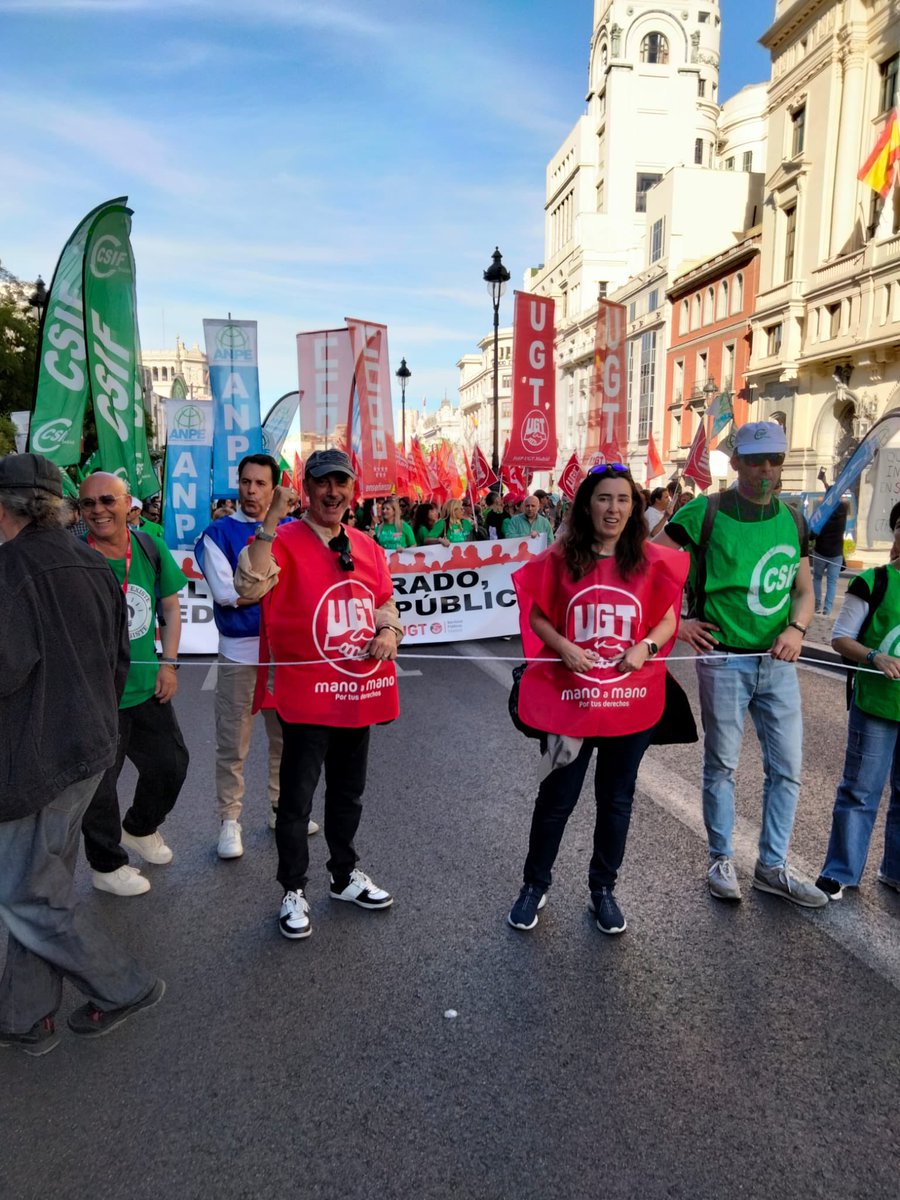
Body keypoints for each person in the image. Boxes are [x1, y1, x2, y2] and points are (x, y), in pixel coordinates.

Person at [0, 454, 163, 1055]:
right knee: (38, 882)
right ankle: (24, 1011)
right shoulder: (95, 564)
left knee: (26, 893)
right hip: (89, 748)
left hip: (33, 758)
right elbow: (119, 658)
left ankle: (123, 986)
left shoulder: (9, 570)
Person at [507, 465, 688, 935]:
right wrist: (563, 647)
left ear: (635, 506)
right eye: (604, 498)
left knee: (616, 800)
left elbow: (668, 620)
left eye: (623, 499)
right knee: (557, 797)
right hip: (572, 702)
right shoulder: (562, 557)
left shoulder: (649, 560)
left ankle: (603, 889)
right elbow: (539, 614)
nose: (614, 508)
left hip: (631, 700)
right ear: (588, 504)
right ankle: (534, 886)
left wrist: (645, 647)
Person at [654, 422, 827, 907]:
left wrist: (797, 629)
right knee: (723, 765)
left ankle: (772, 867)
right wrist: (681, 624)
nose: (766, 470)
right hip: (724, 657)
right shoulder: (704, 511)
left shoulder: (794, 520)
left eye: (774, 460)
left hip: (777, 663)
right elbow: (650, 565)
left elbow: (805, 589)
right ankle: (721, 858)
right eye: (755, 461)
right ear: (736, 463)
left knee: (788, 768)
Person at [234, 449, 404, 940]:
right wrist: (270, 519)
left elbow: (384, 600)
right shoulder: (282, 539)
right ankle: (293, 890)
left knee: (349, 794)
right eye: (323, 483)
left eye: (341, 483)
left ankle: (344, 875)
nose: (333, 492)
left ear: (353, 490)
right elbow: (249, 585)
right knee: (296, 800)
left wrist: (389, 631)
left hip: (358, 690)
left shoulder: (367, 546)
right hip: (309, 697)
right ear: (306, 488)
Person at [195, 453, 318, 859]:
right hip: (240, 653)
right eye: (245, 482)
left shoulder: (296, 531)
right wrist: (272, 589)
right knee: (233, 740)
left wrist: (264, 591)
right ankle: (230, 820)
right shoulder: (216, 534)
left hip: (284, 653)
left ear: (275, 487)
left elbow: (305, 590)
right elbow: (230, 595)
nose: (251, 490)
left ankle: (280, 807)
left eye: (260, 484)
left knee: (286, 737)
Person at [78, 472, 190, 896]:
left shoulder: (149, 547)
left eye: (108, 500)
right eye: (89, 504)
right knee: (100, 787)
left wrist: (170, 665)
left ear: (129, 505)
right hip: (97, 697)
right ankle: (106, 866)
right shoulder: (76, 556)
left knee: (171, 765)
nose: (98, 510)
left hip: (147, 687)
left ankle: (140, 829)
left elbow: (170, 610)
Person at [815, 504, 900, 899]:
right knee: (860, 790)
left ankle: (895, 871)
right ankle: (840, 872)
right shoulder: (873, 582)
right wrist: (874, 656)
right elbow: (840, 637)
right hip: (877, 705)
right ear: (895, 532)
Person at [812, 500, 847, 616]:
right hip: (836, 554)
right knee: (832, 582)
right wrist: (825, 483)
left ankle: (816, 605)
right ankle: (827, 610)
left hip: (820, 552)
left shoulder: (822, 514)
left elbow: (812, 534)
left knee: (817, 578)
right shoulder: (843, 511)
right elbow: (834, 493)